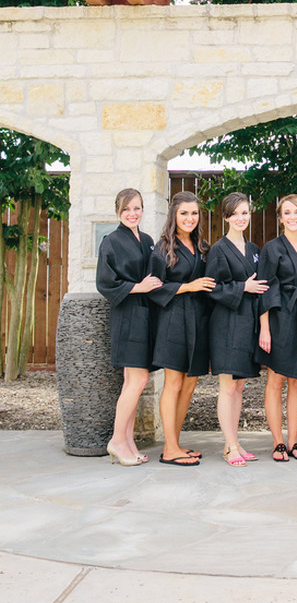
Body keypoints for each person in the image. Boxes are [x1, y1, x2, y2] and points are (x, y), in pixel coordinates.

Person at [96, 188, 162, 466]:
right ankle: (116, 440)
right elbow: (105, 282)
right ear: (118, 212)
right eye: (126, 209)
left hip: (145, 315)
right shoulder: (111, 242)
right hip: (127, 316)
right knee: (138, 380)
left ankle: (128, 441)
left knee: (132, 382)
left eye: (137, 208)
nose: (132, 214)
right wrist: (138, 286)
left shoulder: (146, 240)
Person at [149, 191, 216, 466]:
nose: (190, 218)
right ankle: (169, 449)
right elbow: (154, 287)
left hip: (198, 320)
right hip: (173, 320)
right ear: (174, 216)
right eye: (184, 213)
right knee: (174, 383)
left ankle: (174, 442)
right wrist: (188, 286)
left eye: (194, 213)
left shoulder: (202, 247)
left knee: (190, 385)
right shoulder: (163, 248)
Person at [205, 192, 269, 466]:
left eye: (245, 213)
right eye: (235, 214)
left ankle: (236, 441)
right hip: (226, 324)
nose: (241, 218)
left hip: (248, 323)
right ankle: (229, 445)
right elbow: (212, 288)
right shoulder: (218, 250)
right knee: (227, 387)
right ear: (226, 217)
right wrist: (243, 287)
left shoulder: (254, 250)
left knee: (240, 386)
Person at [257, 194, 297, 462]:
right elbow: (264, 288)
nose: (293, 217)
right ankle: (277, 441)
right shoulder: (272, 248)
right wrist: (265, 328)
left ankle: (294, 441)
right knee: (276, 380)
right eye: (287, 213)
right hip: (280, 317)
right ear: (280, 217)